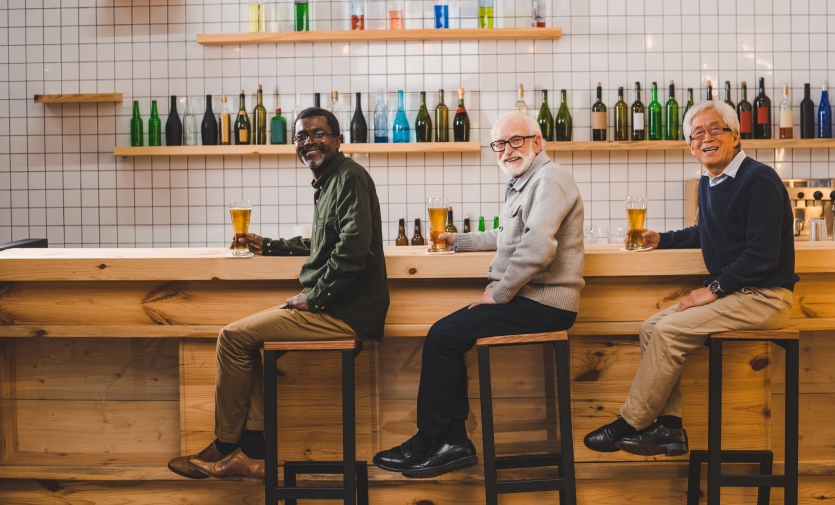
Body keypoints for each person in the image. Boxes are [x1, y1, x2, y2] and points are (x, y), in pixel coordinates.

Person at [167, 107, 389, 480]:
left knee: (233, 338)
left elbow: (353, 249)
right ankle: (252, 455)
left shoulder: (348, 177)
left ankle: (226, 446)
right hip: (337, 306)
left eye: (318, 134)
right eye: (301, 137)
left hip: (344, 312)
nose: (309, 142)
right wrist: (270, 245)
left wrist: (315, 296)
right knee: (249, 345)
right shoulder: (331, 181)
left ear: (338, 140)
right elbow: (322, 243)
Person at [373, 112, 585, 479]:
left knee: (443, 336)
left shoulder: (551, 180)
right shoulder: (525, 182)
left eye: (515, 140)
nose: (507, 150)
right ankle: (445, 442)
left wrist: (500, 294)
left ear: (538, 141)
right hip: (530, 299)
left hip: (546, 303)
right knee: (446, 337)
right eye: (500, 145)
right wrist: (459, 241)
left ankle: (436, 440)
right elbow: (507, 237)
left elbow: (537, 248)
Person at [583, 100, 798, 457]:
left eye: (715, 129)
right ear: (690, 145)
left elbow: (763, 255)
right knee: (651, 327)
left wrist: (713, 289)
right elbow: (705, 232)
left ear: (735, 135)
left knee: (669, 331)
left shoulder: (759, 179)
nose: (705, 137)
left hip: (766, 296)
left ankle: (631, 423)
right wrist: (662, 239)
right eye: (697, 133)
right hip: (738, 294)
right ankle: (669, 429)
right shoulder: (710, 182)